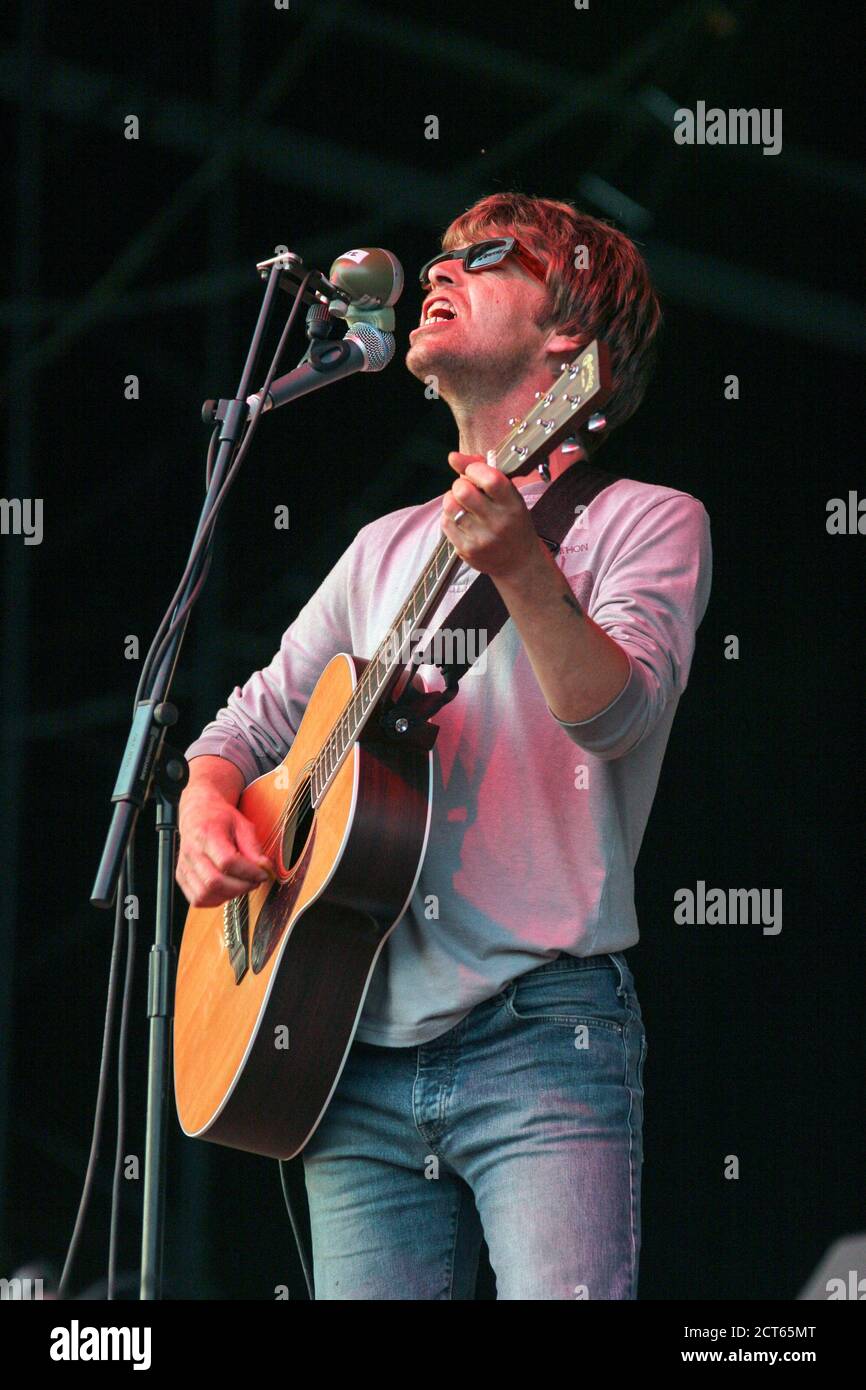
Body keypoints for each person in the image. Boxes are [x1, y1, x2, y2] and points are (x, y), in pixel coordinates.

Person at [176, 192, 712, 1300]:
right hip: (346, 1048)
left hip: (541, 1036)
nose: (436, 270)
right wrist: (203, 804)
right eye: (437, 256)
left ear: (570, 338)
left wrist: (520, 566)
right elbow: (243, 724)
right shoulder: (383, 547)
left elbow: (613, 715)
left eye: (483, 257)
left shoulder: (647, 520)